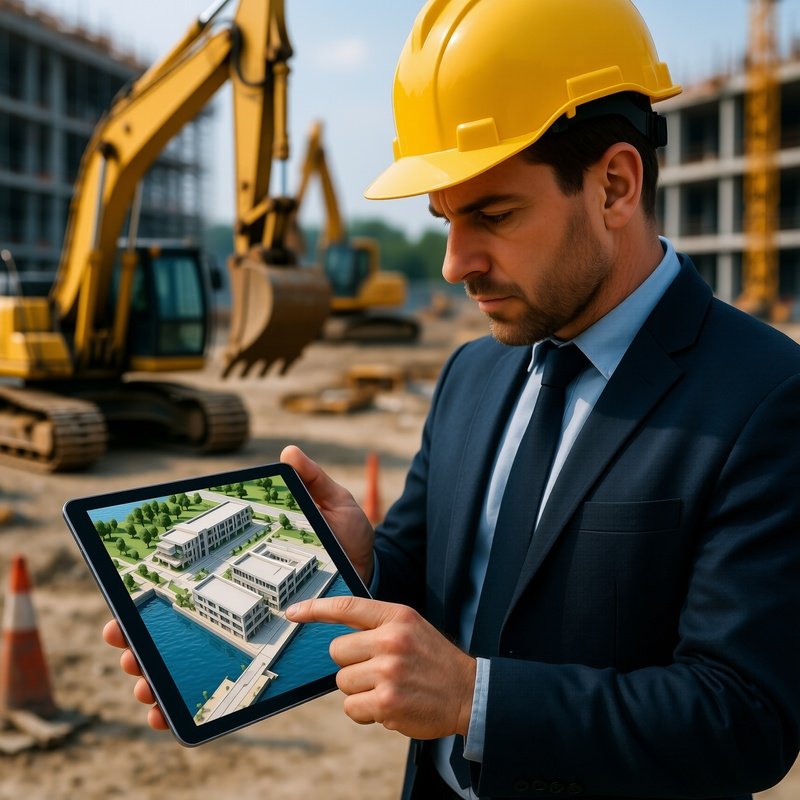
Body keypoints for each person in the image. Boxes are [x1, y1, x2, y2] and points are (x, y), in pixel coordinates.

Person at [104, 0, 800, 797]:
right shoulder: (472, 373)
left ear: (615, 184)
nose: (453, 263)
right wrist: (360, 563)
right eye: (442, 219)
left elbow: (746, 718)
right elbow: (436, 585)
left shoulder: (767, 398)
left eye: (493, 215)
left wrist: (476, 699)